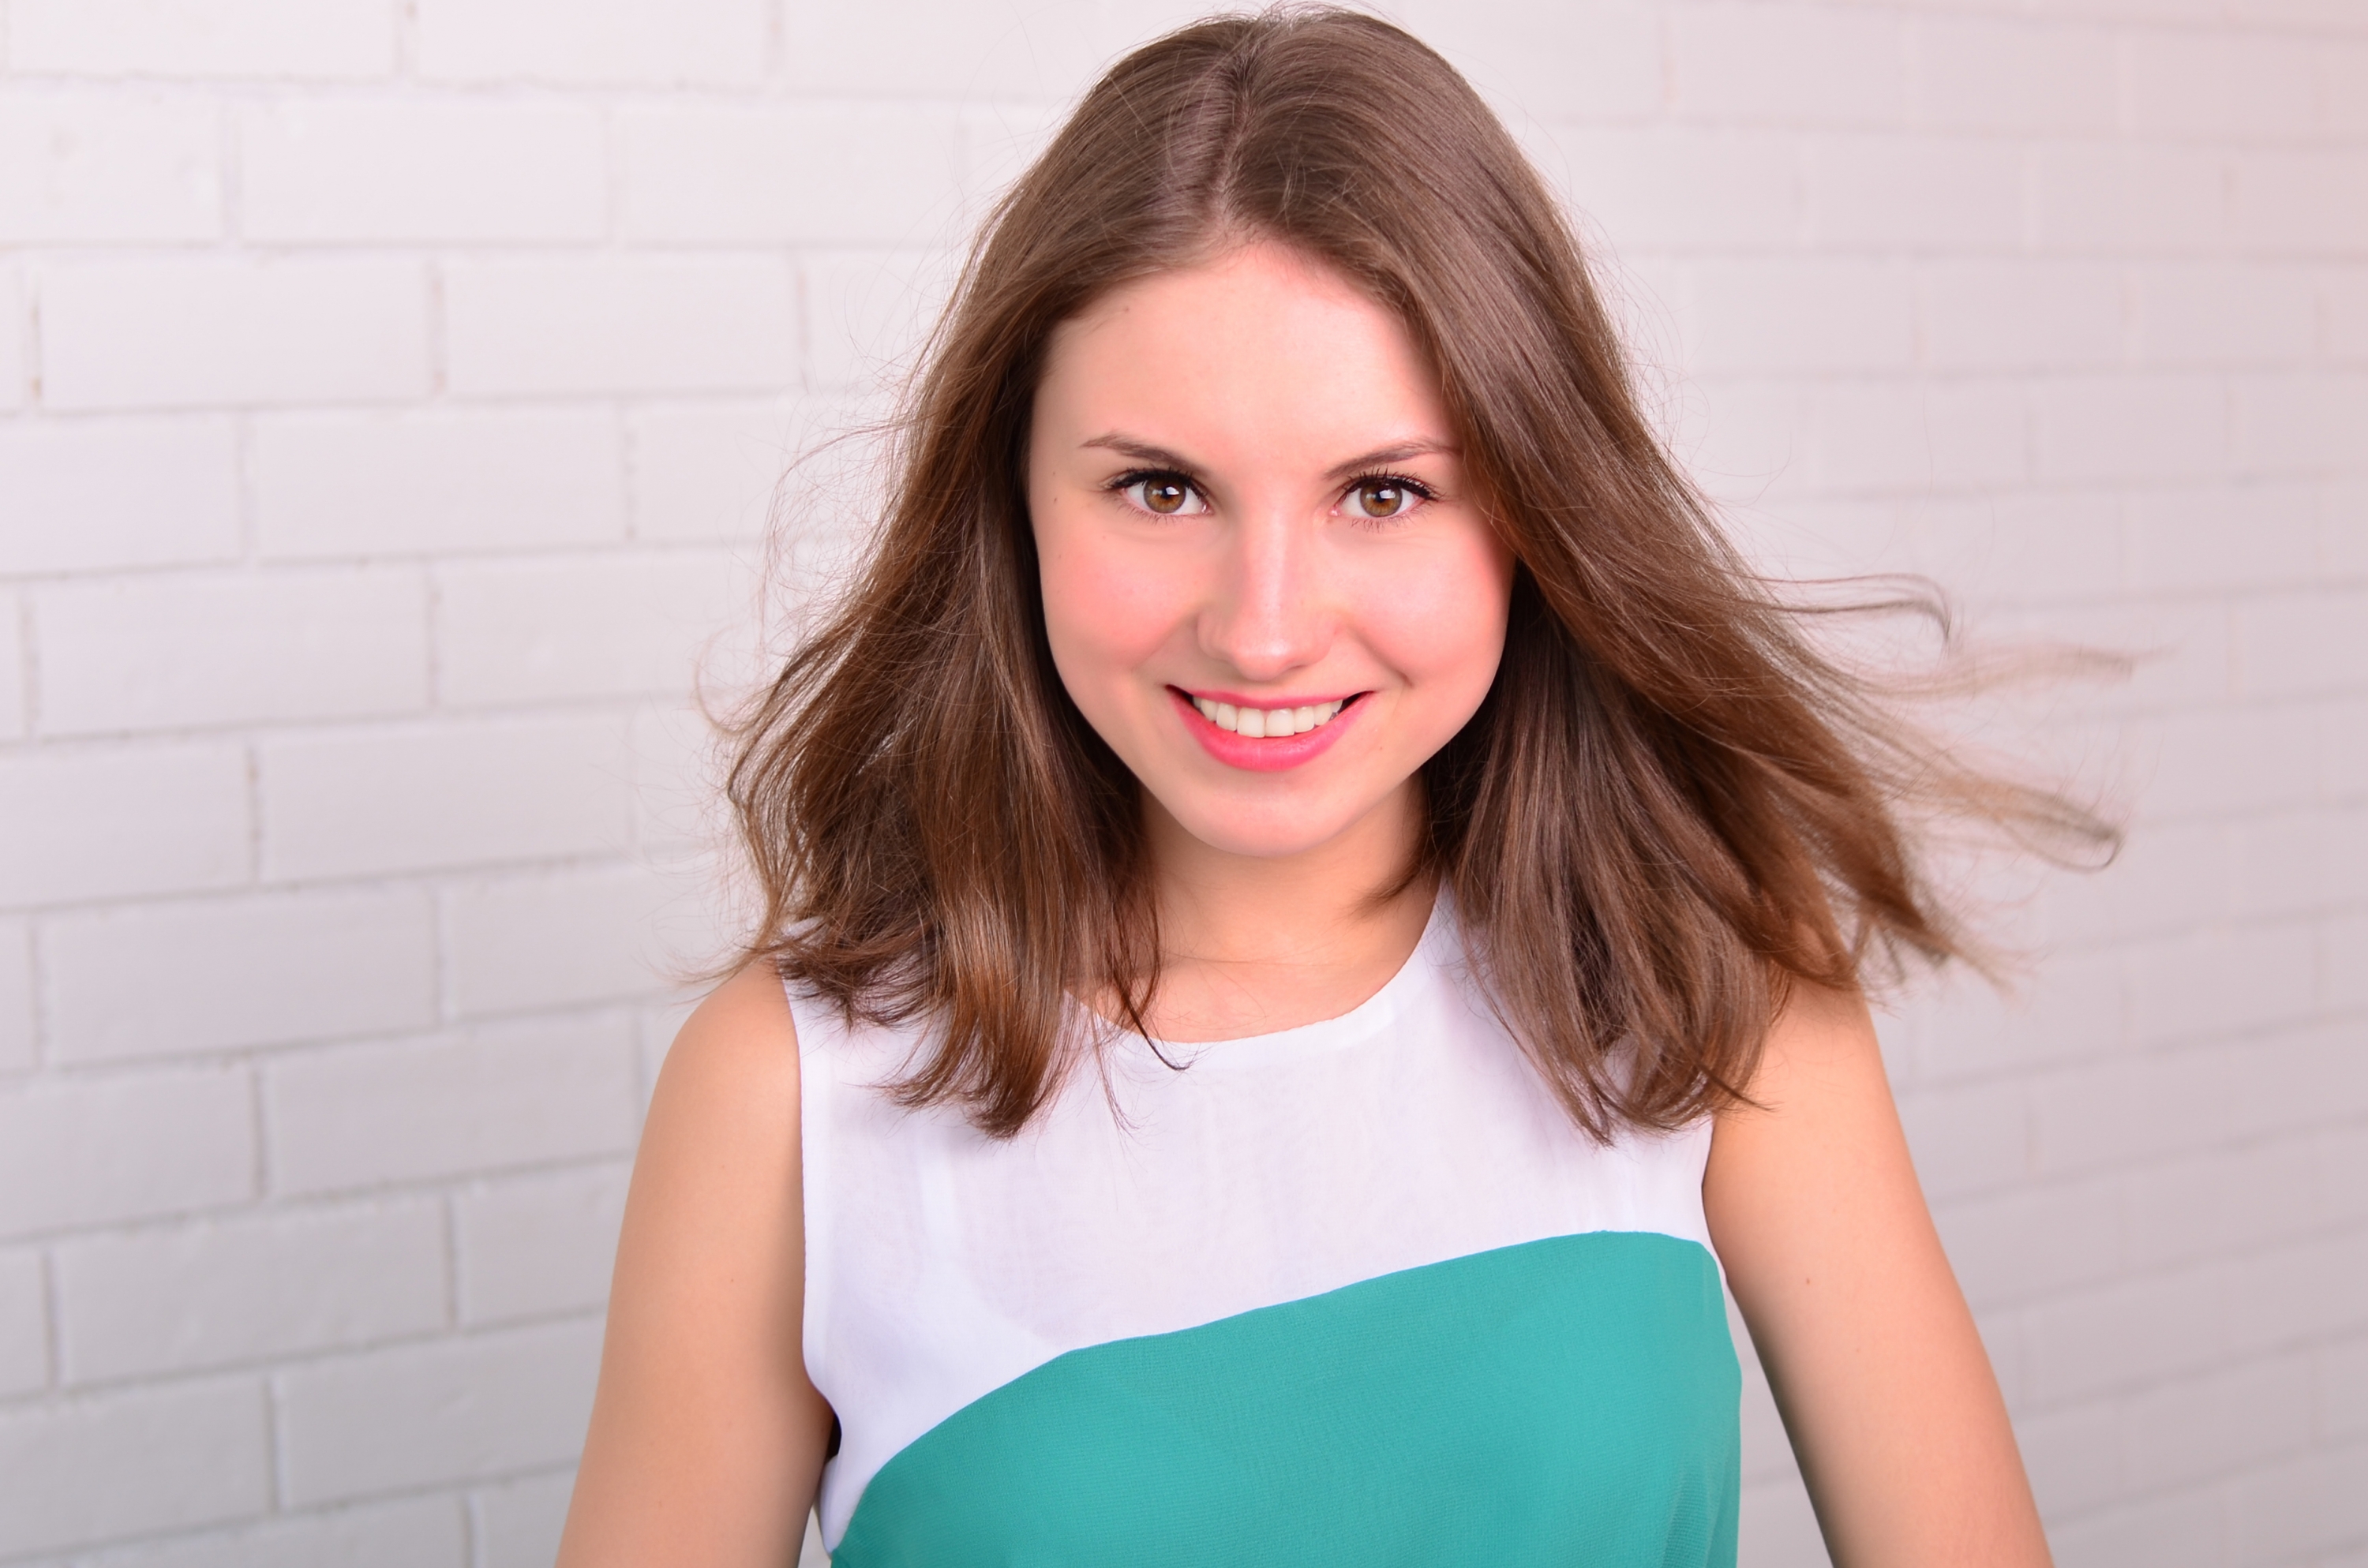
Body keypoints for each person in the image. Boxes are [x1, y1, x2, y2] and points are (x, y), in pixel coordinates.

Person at [558, 11, 2098, 1565]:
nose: (1266, 629)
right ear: (1010, 501)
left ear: (1533, 511)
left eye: (1383, 492)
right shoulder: (789, 1094)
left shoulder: (1708, 982)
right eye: (1161, 487)